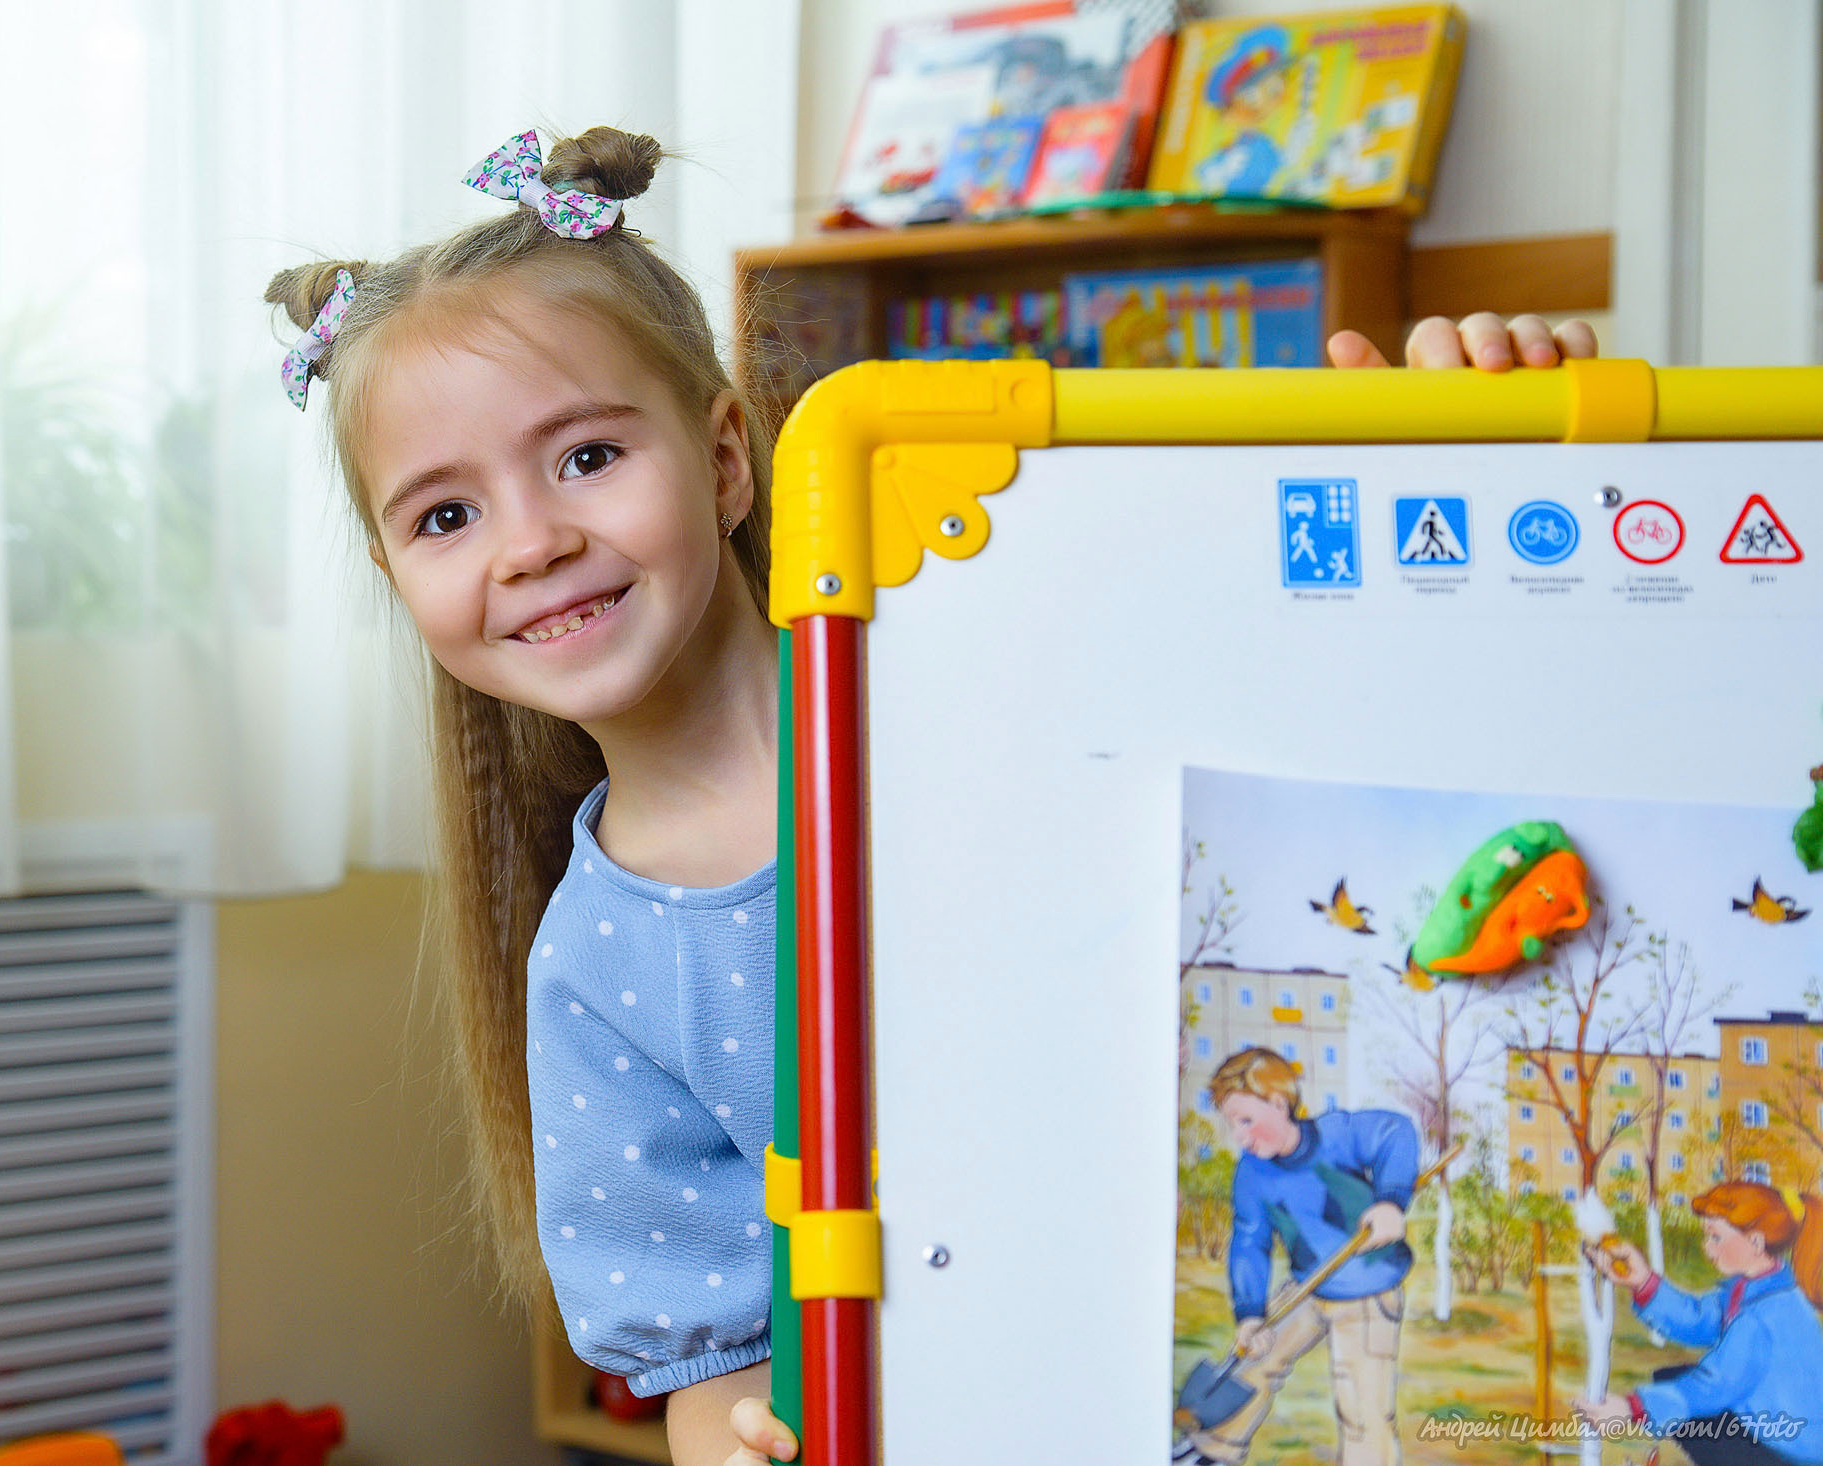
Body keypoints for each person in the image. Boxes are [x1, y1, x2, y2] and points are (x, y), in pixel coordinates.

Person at [263, 123, 1596, 1466]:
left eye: (587, 457)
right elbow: (713, 1361)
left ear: (727, 457)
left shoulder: (986, 666)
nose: (533, 542)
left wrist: (1463, 438)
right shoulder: (600, 967)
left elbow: (1308, 675)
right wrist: (730, 1436)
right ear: (398, 584)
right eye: (444, 517)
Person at [1180, 1047, 1421, 1466]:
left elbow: (1396, 1132)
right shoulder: (1252, 1174)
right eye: (1232, 1125)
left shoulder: (1338, 1135)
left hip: (1367, 1285)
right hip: (1308, 1284)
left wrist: (1391, 1202)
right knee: (1253, 1361)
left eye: (1245, 1121)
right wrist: (1250, 1313)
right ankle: (1214, 1453)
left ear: (1278, 1104)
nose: (1239, 1135)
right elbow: (1249, 1243)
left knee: (1361, 1404)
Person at [1578, 1183, 1823, 1465]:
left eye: (1716, 1237)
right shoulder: (1756, 1288)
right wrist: (1642, 1280)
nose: (1707, 1248)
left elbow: (1714, 1384)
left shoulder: (1763, 1316)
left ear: (1755, 1242)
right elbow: (1698, 1319)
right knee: (1671, 1379)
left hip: (1787, 1452)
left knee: (1686, 1397)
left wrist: (1632, 1408)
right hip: (1774, 1429)